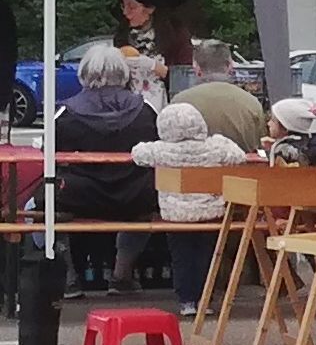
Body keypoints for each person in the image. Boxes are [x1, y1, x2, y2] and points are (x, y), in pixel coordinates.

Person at [52, 43, 160, 292]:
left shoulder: (66, 113)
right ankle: (122, 273)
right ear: (123, 73)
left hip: (79, 197)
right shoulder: (145, 111)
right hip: (135, 197)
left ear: (84, 73)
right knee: (149, 195)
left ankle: (66, 278)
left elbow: (50, 156)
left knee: (35, 207)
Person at [130, 102, 249, 314]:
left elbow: (138, 154)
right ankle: (206, 297)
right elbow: (239, 156)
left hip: (175, 215)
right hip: (210, 212)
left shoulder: (160, 150)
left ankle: (186, 300)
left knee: (181, 256)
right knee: (207, 254)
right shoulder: (216, 147)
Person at [174, 42, 267, 152]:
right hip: (240, 168)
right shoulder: (251, 103)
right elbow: (260, 146)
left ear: (197, 68)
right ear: (230, 66)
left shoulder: (179, 103)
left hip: (190, 167)